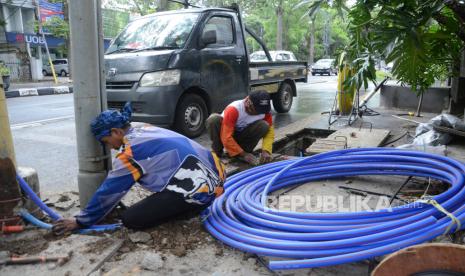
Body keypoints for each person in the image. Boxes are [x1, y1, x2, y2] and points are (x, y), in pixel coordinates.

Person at [52, 103, 225, 234]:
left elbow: (111, 189)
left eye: (106, 142)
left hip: (201, 192)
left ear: (116, 132)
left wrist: (81, 221)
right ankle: (190, 203)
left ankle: (190, 210)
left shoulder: (131, 152)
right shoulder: (142, 127)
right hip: (218, 175)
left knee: (131, 219)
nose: (110, 148)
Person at [206, 90, 274, 165]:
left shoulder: (265, 112)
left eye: (262, 110)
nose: (260, 113)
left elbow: (270, 132)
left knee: (264, 125)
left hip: (242, 137)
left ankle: (242, 153)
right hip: (226, 136)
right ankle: (217, 154)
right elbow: (226, 137)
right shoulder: (234, 109)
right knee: (213, 119)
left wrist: (266, 151)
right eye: (257, 110)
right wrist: (244, 154)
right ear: (248, 102)